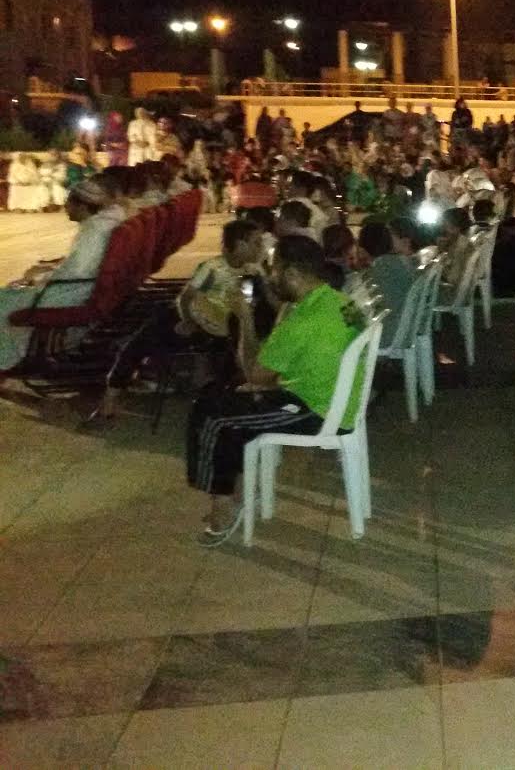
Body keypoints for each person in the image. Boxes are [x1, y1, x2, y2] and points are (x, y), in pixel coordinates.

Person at [184, 237, 367, 545]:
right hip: (337, 398)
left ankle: (221, 504)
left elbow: (254, 374)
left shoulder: (303, 320)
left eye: (275, 269)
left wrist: (244, 318)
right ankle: (235, 493)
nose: (270, 276)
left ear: (292, 274)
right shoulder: (340, 300)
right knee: (227, 405)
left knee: (212, 415)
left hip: (314, 409)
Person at [93, 219, 266, 421]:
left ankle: (218, 401)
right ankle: (110, 398)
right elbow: (186, 298)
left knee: (234, 354)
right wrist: (188, 321)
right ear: (240, 245)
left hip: (219, 328)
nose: (261, 247)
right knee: (138, 344)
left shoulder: (251, 272)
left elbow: (245, 302)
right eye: (256, 243)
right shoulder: (213, 269)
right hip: (187, 317)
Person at [0, 180, 127, 372]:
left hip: (71, 292)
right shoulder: (99, 225)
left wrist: (40, 276)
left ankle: (6, 362)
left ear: (82, 206)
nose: (65, 208)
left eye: (69, 203)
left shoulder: (94, 231)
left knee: (5, 300)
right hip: (78, 287)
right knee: (10, 291)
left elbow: (78, 272)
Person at [359, 221, 419, 346]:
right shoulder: (400, 260)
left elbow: (368, 303)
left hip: (389, 330)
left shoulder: (380, 267)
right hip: (408, 324)